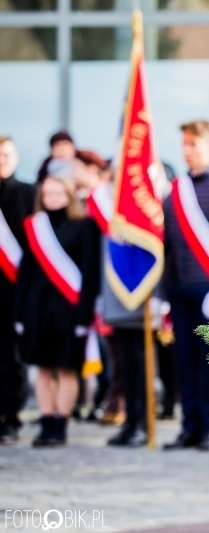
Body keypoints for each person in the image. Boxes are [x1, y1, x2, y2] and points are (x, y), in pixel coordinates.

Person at [162, 120, 209, 452]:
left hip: (206, 289)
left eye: (192, 144)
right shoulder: (176, 189)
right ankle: (189, 425)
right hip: (178, 288)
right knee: (183, 360)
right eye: (184, 144)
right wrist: (162, 292)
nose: (187, 150)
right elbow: (166, 241)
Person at [13, 175, 101, 446]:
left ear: (69, 195)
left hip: (69, 309)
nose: (52, 198)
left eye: (58, 193)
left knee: (65, 369)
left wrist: (84, 315)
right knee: (42, 369)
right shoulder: (34, 226)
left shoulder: (85, 226)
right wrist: (18, 313)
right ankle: (46, 421)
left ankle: (60, 424)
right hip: (37, 309)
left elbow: (90, 273)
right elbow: (25, 273)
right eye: (48, 194)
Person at [0, 136, 35, 444]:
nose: (2, 159)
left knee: (12, 355)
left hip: (15, 288)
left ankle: (10, 417)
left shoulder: (27, 193)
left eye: (6, 154)